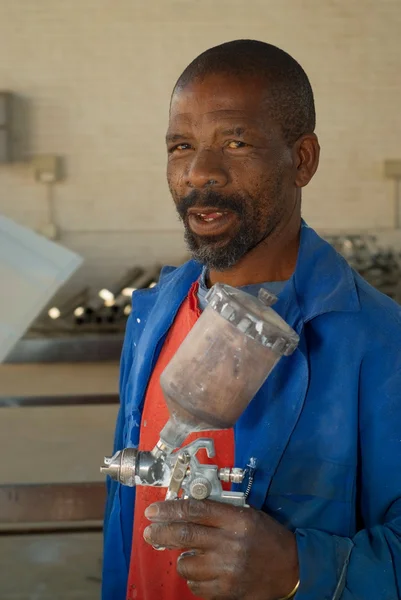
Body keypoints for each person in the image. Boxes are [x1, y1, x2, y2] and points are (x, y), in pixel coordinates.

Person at [102, 39, 401, 600]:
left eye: (235, 142)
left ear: (302, 160)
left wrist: (297, 568)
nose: (199, 173)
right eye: (180, 145)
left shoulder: (380, 344)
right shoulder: (154, 317)